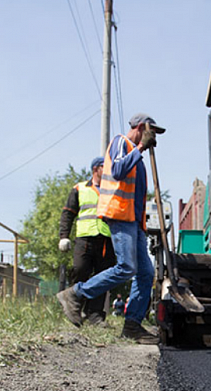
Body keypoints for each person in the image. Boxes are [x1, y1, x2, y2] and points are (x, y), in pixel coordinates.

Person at [57, 113, 165, 344]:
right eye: (150, 130)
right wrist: (140, 149)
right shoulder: (120, 142)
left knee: (146, 273)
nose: (153, 135)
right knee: (126, 267)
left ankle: (132, 325)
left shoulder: (138, 158)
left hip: (135, 223)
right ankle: (75, 294)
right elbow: (117, 170)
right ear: (139, 127)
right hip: (120, 216)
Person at [58, 157, 115, 325]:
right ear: (96, 169)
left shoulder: (112, 190)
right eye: (105, 167)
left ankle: (95, 315)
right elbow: (68, 213)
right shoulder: (79, 188)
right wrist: (64, 236)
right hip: (85, 238)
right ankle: (74, 309)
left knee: (102, 277)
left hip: (106, 240)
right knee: (80, 270)